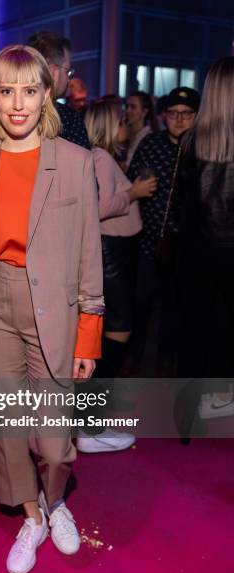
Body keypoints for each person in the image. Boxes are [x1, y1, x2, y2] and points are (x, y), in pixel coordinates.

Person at [0, 45, 104, 573]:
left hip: (55, 312)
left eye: (30, 90)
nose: (18, 104)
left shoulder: (76, 162)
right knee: (11, 432)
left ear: (47, 94)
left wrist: (89, 334)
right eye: (7, 91)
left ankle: (57, 498)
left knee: (55, 443)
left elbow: (89, 251)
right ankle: (32, 514)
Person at [77, 101, 156, 453]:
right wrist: (133, 193)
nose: (126, 125)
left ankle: (91, 415)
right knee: (116, 331)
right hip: (110, 252)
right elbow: (98, 206)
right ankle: (90, 424)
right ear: (108, 124)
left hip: (114, 251)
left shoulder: (100, 157)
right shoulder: (100, 158)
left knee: (111, 330)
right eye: (121, 120)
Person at [173, 57, 234, 425]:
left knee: (195, 330)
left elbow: (185, 206)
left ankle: (193, 410)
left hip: (195, 255)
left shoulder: (190, 141)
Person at [125, 87, 199, 376]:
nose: (178, 120)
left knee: (173, 310)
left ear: (196, 117)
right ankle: (132, 357)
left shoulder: (201, 147)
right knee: (140, 305)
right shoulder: (151, 143)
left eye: (186, 114)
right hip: (147, 242)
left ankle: (167, 363)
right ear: (164, 116)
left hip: (184, 246)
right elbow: (131, 180)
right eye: (172, 114)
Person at [27, 30, 90, 148]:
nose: (68, 78)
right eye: (68, 70)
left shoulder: (6, 115)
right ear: (53, 72)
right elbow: (83, 165)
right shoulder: (69, 121)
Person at [125, 91, 158, 169]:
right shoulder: (124, 132)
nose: (127, 111)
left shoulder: (148, 137)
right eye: (127, 106)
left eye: (133, 107)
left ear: (144, 112)